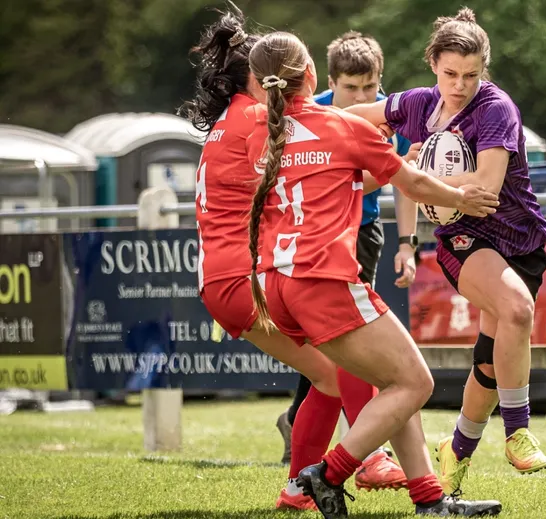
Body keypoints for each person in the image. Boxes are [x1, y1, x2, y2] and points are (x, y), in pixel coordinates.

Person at [244, 30, 503, 518]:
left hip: (273, 282)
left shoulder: (262, 131)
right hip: (323, 280)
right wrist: (462, 198)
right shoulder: (343, 128)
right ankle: (326, 473)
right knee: (416, 383)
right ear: (316, 78)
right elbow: (410, 180)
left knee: (388, 380)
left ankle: (429, 500)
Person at [179, 6, 400, 512]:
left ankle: (299, 488)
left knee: (329, 372)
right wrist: (406, 110)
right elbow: (336, 124)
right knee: (347, 362)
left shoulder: (232, 120)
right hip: (245, 279)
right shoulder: (258, 119)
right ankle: (362, 461)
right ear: (257, 81)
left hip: (225, 281)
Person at [345, 7, 546, 495]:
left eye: (471, 75)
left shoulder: (496, 108)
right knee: (517, 310)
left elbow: (486, 187)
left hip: (521, 240)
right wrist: (308, 122)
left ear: (485, 69)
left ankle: (455, 453)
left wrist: (415, 179)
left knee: (488, 360)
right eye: (449, 74)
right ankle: (518, 430)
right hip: (466, 238)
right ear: (432, 64)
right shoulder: (419, 104)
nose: (459, 86)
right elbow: (354, 114)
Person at [275, 31, 417, 494]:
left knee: (341, 352)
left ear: (381, 82)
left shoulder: (390, 114)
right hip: (316, 239)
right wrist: (398, 171)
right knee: (340, 352)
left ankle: (304, 432)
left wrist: (408, 243)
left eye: (369, 87)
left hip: (364, 233)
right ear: (329, 82)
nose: (360, 97)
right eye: (350, 88)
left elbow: (403, 179)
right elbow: (359, 180)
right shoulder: (309, 115)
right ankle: (365, 455)